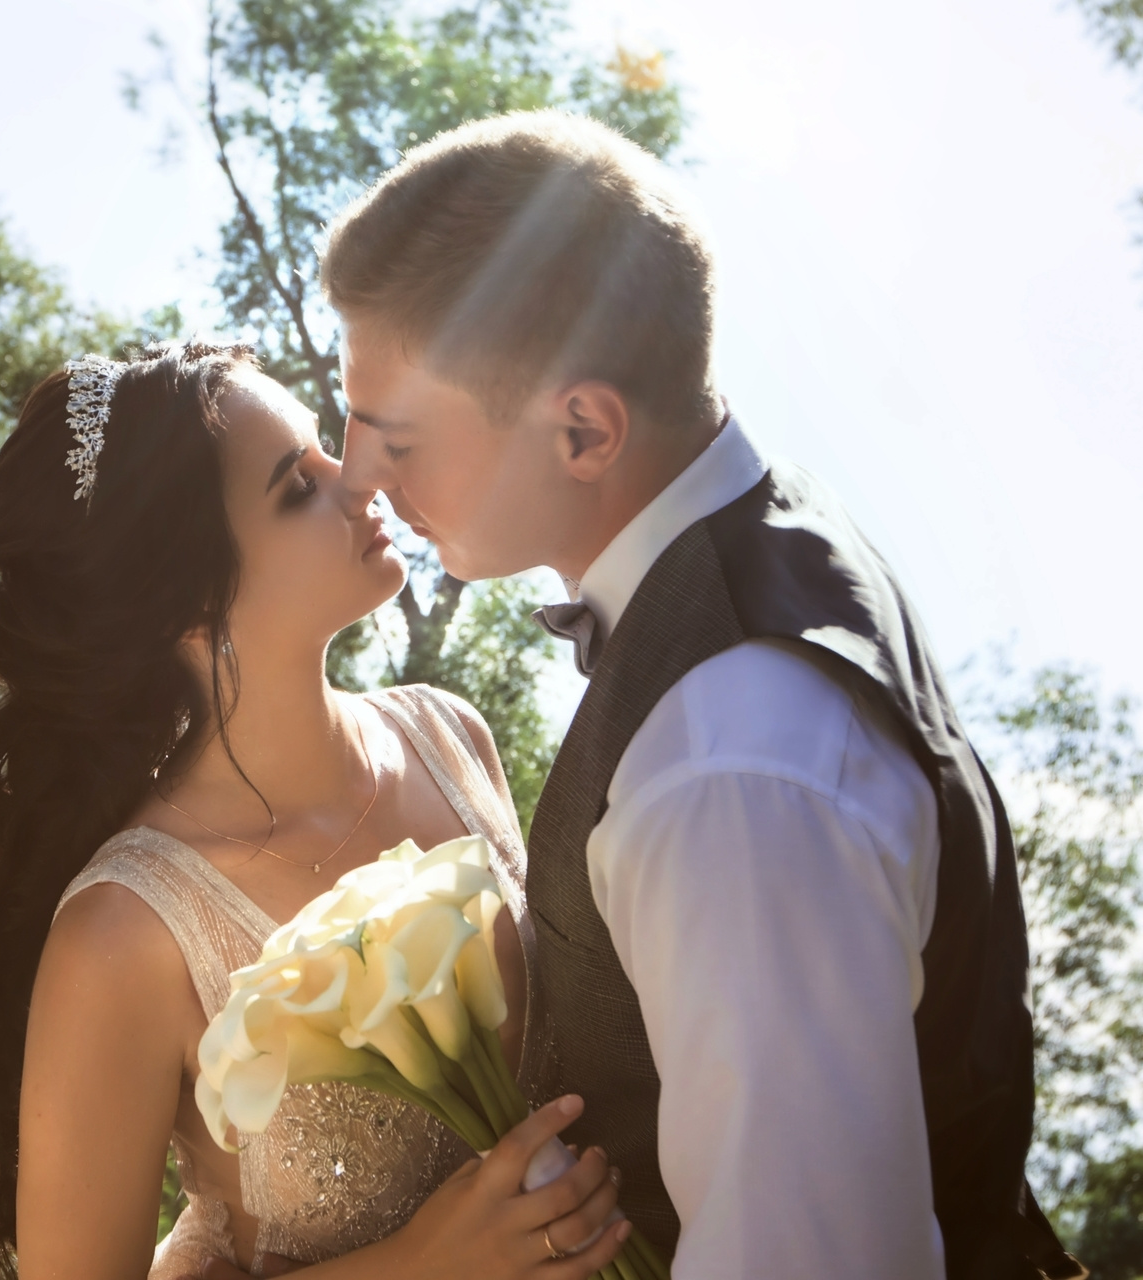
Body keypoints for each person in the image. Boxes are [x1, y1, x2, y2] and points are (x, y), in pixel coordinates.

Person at [322, 110, 1081, 1279]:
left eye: (397, 437)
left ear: (583, 427)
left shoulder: (728, 764)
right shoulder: (772, 561)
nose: (357, 473)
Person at [0, 339, 631, 1279]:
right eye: (298, 487)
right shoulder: (125, 929)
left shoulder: (448, 737)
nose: (360, 479)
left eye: (325, 450)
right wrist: (421, 1266)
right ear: (188, 607)